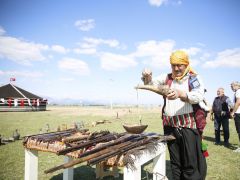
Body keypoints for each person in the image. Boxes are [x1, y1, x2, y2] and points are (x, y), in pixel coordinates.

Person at [141, 50, 207, 180]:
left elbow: (198, 96)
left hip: (187, 126)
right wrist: (147, 76)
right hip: (170, 126)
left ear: (186, 64)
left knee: (189, 162)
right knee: (175, 161)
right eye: (173, 65)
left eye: (179, 65)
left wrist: (180, 93)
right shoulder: (167, 78)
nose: (176, 68)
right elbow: (150, 84)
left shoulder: (193, 78)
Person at [230, 81, 240, 152]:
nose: (231, 87)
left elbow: (238, 102)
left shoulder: (238, 91)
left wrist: (233, 112)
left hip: (238, 113)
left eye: (232, 86)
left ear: (236, 85)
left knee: (239, 130)